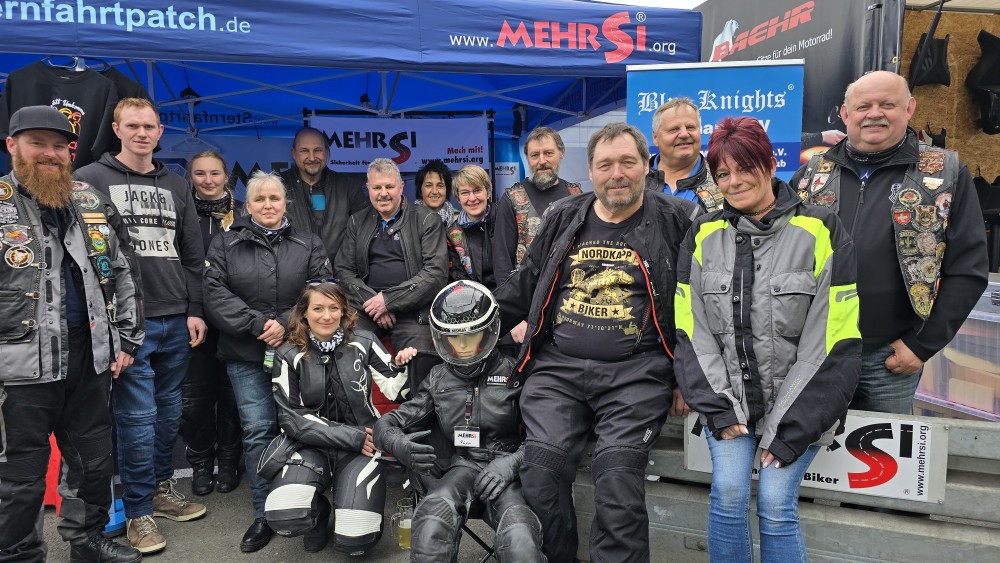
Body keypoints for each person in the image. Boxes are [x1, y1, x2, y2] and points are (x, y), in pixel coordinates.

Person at [494, 123, 700, 562]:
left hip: (637, 375)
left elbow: (697, 307)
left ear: (646, 165)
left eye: (627, 162)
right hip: (558, 372)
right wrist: (473, 325)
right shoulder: (564, 216)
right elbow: (526, 282)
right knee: (541, 469)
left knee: (617, 475)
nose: (616, 174)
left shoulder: (678, 219)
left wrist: (687, 377)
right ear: (590, 171)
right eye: (605, 165)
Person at [674, 116, 861, 563]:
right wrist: (720, 409)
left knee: (776, 503)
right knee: (728, 492)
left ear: (771, 164)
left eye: (745, 168)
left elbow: (832, 340)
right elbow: (691, 332)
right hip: (730, 403)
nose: (734, 182)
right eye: (723, 173)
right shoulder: (702, 235)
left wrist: (789, 428)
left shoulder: (821, 229)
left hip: (800, 406)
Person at [790, 70, 988, 414]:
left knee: (883, 448)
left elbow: (968, 269)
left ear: (909, 109)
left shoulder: (945, 172)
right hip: (815, 352)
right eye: (863, 106)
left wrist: (922, 345)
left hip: (890, 359)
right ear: (845, 114)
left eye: (887, 104)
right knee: (811, 443)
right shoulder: (811, 174)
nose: (875, 114)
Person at [0, 106, 143, 563]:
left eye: (59, 146)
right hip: (18, 368)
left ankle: (87, 541)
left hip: (89, 357)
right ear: (12, 146)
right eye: (38, 143)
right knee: (19, 477)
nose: (50, 153)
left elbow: (121, 269)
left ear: (71, 152)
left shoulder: (89, 199)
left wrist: (126, 339)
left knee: (93, 463)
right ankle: (19, 555)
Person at [75, 97, 207, 555]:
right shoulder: (88, 179)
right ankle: (137, 511)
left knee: (169, 414)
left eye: (149, 126)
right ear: (117, 129)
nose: (141, 133)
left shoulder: (176, 184)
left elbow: (192, 254)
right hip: (128, 325)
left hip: (176, 319)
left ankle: (160, 489)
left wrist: (195, 309)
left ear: (160, 131)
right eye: (132, 126)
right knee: (136, 419)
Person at [203, 170, 333, 552]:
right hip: (246, 353)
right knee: (258, 430)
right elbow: (214, 294)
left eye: (274, 198)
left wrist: (287, 324)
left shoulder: (308, 242)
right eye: (259, 199)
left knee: (307, 427)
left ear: (285, 203)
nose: (268, 205)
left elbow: (322, 290)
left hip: (300, 352)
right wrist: (259, 324)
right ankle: (264, 513)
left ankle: (313, 509)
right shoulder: (225, 243)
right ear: (248, 205)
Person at [373, 280, 545, 563]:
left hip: (509, 472)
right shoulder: (438, 378)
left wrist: (513, 463)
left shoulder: (517, 373)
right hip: (463, 468)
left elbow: (547, 436)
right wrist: (399, 444)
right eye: (453, 337)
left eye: (471, 335)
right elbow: (386, 424)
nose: (462, 345)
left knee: (520, 539)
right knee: (430, 523)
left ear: (489, 331)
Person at [265, 280, 414, 555]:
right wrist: (350, 436)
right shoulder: (287, 353)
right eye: (318, 308)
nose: (327, 316)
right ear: (304, 312)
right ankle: (318, 514)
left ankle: (349, 506)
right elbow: (291, 418)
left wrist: (406, 367)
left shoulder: (364, 341)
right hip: (312, 445)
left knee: (356, 540)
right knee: (284, 515)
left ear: (344, 311)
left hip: (362, 446)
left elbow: (397, 391)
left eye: (334, 308)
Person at [335, 157, 448, 356]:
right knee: (347, 349)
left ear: (401, 187)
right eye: (376, 187)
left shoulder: (427, 220)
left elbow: (436, 274)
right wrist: (375, 304)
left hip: (413, 311)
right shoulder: (356, 221)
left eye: (389, 186)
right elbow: (343, 271)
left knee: (419, 358)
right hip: (367, 309)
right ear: (368, 188)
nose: (383, 193)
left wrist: (388, 301)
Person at [179, 150, 244, 496]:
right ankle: (201, 463)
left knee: (232, 395)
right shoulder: (181, 213)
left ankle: (229, 461)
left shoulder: (244, 214)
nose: (208, 180)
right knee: (195, 400)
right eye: (200, 174)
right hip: (194, 318)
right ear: (190, 176)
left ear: (226, 176)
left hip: (234, 319)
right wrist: (194, 308)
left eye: (215, 173)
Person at [493, 126, 581, 289]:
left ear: (562, 152)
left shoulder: (576, 196)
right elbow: (502, 263)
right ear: (527, 157)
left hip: (567, 294)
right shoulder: (511, 200)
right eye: (535, 155)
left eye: (548, 153)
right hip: (527, 297)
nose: (542, 161)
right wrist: (510, 303)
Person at [279, 126, 370, 261]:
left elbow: (364, 233)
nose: (312, 157)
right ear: (293, 153)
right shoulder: (277, 186)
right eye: (304, 151)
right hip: (292, 271)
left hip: (339, 271)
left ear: (327, 152)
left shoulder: (348, 187)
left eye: (318, 150)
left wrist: (346, 267)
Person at [644, 97, 724, 212]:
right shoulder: (636, 180)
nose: (684, 134)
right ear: (655, 138)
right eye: (674, 129)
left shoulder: (722, 180)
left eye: (690, 127)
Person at [446, 165, 496, 288]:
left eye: (477, 190)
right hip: (474, 296)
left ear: (488, 193)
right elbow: (458, 277)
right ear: (458, 198)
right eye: (465, 193)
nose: (472, 198)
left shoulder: (505, 219)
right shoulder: (452, 234)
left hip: (510, 295)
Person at [415, 159, 459, 225]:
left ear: (447, 190)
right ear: (420, 190)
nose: (434, 191)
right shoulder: (409, 218)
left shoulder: (459, 220)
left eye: (440, 186)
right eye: (428, 185)